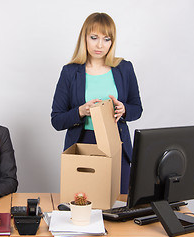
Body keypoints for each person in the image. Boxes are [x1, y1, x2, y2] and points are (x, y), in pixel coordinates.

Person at [51, 13, 142, 194]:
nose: (100, 45)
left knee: (119, 206)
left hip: (117, 144)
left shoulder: (125, 68)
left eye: (106, 39)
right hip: (83, 144)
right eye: (94, 38)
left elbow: (137, 108)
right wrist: (81, 111)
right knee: (84, 205)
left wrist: (124, 110)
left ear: (112, 42)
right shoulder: (70, 72)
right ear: (84, 38)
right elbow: (57, 120)